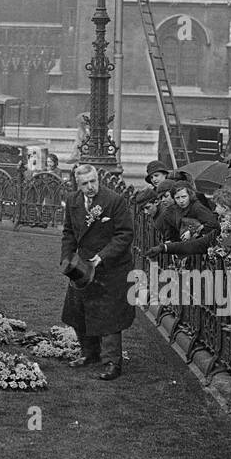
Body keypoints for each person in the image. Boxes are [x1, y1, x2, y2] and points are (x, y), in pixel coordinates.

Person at [60, 163, 135, 381]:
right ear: (78, 184)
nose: (91, 187)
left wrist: (102, 256)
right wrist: (67, 259)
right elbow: (68, 232)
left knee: (109, 316)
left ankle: (112, 362)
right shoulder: (73, 201)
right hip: (82, 267)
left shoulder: (114, 201)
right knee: (78, 312)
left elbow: (124, 234)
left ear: (98, 179)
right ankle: (89, 353)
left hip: (111, 267)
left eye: (93, 181)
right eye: (85, 183)